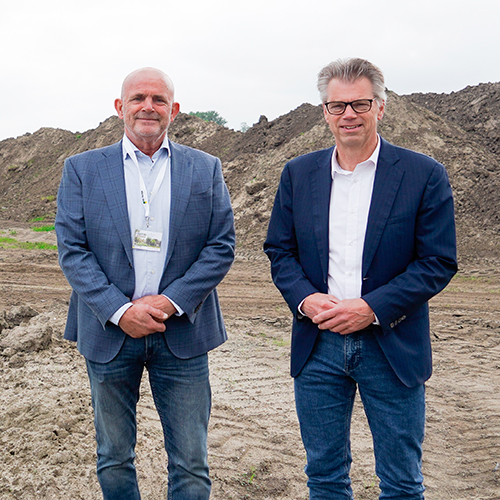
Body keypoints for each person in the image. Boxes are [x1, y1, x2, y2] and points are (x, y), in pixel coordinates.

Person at [264, 58, 457, 499]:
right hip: (318, 347)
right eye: (337, 106)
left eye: (359, 104)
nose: (348, 114)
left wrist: (372, 308)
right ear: (325, 113)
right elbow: (280, 250)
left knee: (402, 481)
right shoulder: (298, 174)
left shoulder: (423, 174)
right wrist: (305, 300)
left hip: (391, 345)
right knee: (325, 477)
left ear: (381, 108)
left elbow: (437, 261)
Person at [55, 67, 235, 500]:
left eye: (158, 99)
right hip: (109, 333)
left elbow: (221, 245)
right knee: (114, 455)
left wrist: (171, 302)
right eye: (138, 98)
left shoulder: (205, 167)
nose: (147, 107)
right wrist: (122, 310)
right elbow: (73, 251)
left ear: (174, 110)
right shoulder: (81, 169)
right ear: (120, 108)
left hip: (182, 333)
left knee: (191, 463)